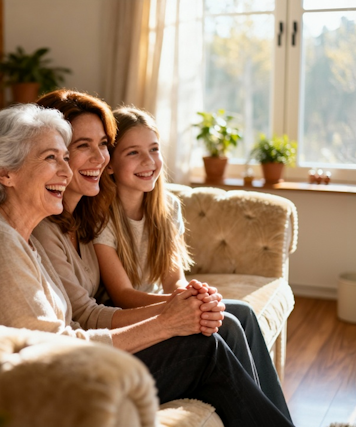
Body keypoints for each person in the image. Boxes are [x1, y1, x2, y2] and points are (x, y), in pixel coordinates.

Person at [0, 102, 294, 426]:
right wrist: (166, 322)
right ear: (4, 173)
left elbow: (78, 319)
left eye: (64, 156)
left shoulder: (19, 233)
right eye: (50, 159)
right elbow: (52, 349)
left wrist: (174, 316)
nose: (66, 171)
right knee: (207, 345)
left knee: (216, 330)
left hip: (71, 369)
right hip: (55, 389)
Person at [91, 105, 291, 420]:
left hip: (167, 303)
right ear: (111, 165)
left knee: (244, 314)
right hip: (134, 319)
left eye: (154, 150)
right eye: (133, 153)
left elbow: (174, 280)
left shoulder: (167, 207)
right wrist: (181, 304)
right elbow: (123, 295)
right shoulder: (102, 216)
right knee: (230, 322)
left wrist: (192, 293)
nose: (148, 161)